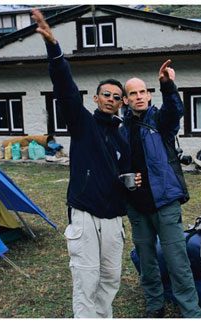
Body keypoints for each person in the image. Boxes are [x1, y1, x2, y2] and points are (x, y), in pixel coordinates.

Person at [32, 9, 140, 318]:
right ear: (95, 98)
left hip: (112, 220)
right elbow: (65, 90)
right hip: (85, 216)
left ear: (122, 103)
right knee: (86, 281)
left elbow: (124, 174)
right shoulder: (82, 124)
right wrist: (55, 50)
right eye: (105, 94)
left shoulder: (122, 135)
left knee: (110, 280)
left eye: (116, 97)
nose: (110, 99)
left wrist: (131, 182)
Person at [119, 63, 201, 318]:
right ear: (125, 99)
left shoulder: (160, 121)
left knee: (177, 262)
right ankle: (155, 306)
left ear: (149, 94)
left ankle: (191, 313)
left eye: (143, 91)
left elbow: (175, 109)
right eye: (133, 93)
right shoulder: (121, 129)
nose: (139, 96)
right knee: (147, 261)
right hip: (137, 207)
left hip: (165, 202)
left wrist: (168, 85)